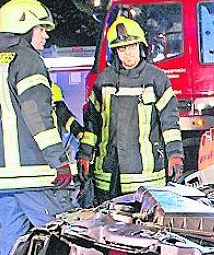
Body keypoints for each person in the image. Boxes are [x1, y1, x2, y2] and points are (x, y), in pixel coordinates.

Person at [0, 0, 77, 255]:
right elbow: (38, 116)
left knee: (11, 247)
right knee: (64, 238)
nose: (45, 35)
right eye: (40, 28)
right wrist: (60, 160)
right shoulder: (28, 61)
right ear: (24, 28)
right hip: (31, 173)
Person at [79, 16, 184, 203]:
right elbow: (92, 126)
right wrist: (85, 154)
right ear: (115, 52)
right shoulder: (104, 81)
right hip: (108, 176)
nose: (128, 53)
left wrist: (175, 155)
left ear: (141, 47)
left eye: (132, 46)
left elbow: (170, 123)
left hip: (146, 178)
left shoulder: (156, 78)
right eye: (121, 48)